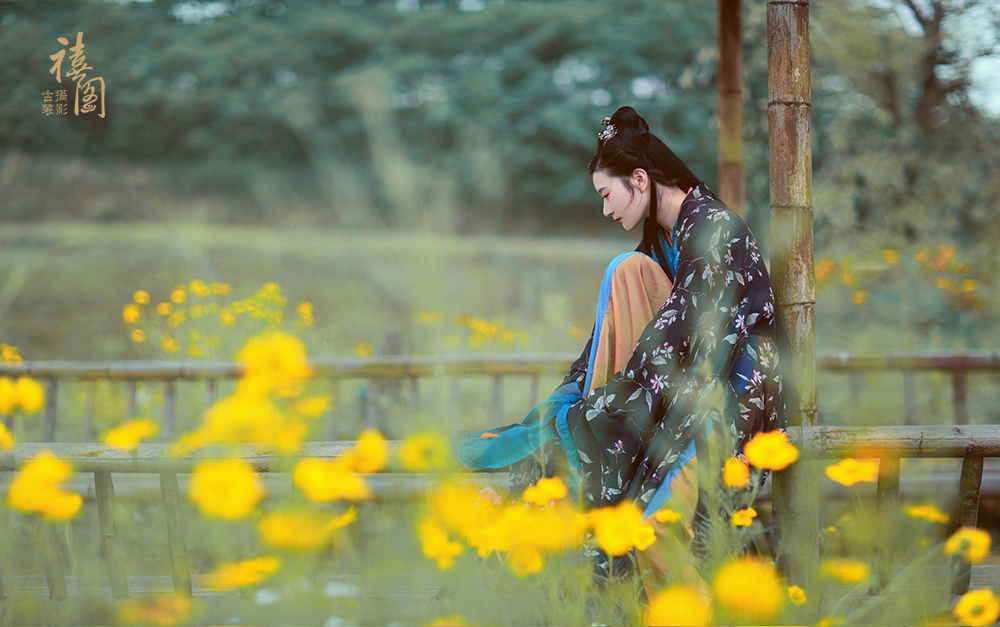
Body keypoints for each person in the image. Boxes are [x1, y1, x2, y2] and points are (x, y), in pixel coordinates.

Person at [454, 106, 787, 601]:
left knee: (657, 525)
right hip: (686, 376)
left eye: (608, 195)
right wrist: (575, 396)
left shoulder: (714, 226)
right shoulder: (661, 241)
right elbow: (638, 336)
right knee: (626, 269)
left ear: (640, 178)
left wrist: (609, 405)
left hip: (734, 383)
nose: (607, 210)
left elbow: (690, 333)